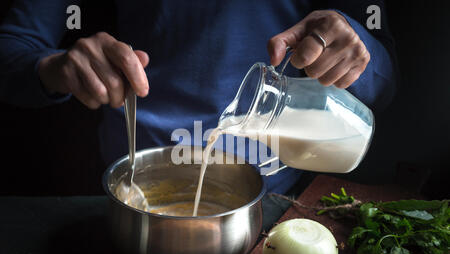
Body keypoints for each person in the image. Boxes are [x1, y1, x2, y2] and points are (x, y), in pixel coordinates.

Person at [0, 0, 396, 194]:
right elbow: (11, 49)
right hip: (131, 185)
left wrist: (356, 52)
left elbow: (385, 79)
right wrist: (56, 67)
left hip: (276, 199)